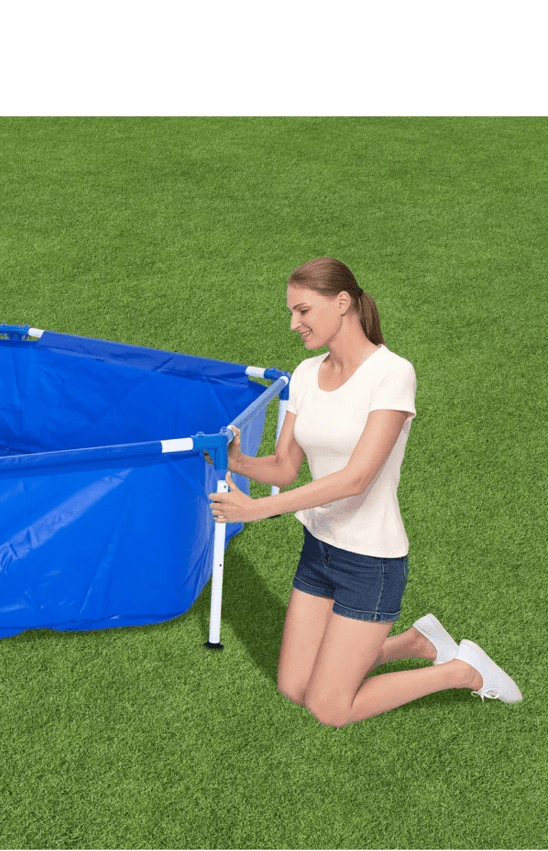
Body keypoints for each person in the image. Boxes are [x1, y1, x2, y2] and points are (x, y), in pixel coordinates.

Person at [207, 257, 522, 727]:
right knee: (294, 687)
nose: (293, 324)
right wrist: (237, 460)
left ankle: (463, 670)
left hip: (370, 562)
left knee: (328, 708)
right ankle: (417, 642)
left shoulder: (392, 373)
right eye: (291, 312)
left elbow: (356, 479)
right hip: (318, 550)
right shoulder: (306, 372)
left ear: (342, 302)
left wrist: (257, 509)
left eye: (303, 311)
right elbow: (285, 468)